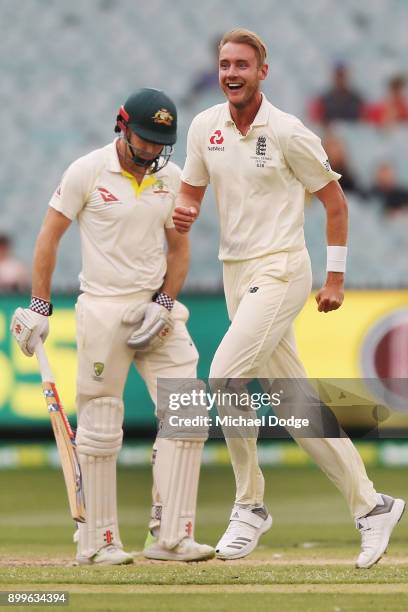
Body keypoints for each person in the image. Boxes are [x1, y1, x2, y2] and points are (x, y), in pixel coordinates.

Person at [173, 29, 405, 568]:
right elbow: (191, 191)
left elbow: (335, 202)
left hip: (281, 270)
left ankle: (250, 504)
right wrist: (183, 211)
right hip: (236, 274)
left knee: (224, 375)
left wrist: (335, 278)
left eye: (243, 65)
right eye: (225, 63)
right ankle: (373, 506)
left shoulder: (289, 132)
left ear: (262, 72)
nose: (232, 72)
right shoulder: (205, 127)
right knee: (296, 406)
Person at [11, 88, 214, 565]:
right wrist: (40, 307)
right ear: (122, 126)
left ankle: (172, 536)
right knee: (101, 427)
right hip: (103, 307)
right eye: (143, 139)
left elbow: (179, 250)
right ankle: (96, 543)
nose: (150, 151)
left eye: (160, 143)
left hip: (155, 311)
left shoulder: (172, 179)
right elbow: (49, 237)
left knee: (188, 412)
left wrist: (164, 303)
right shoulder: (87, 170)